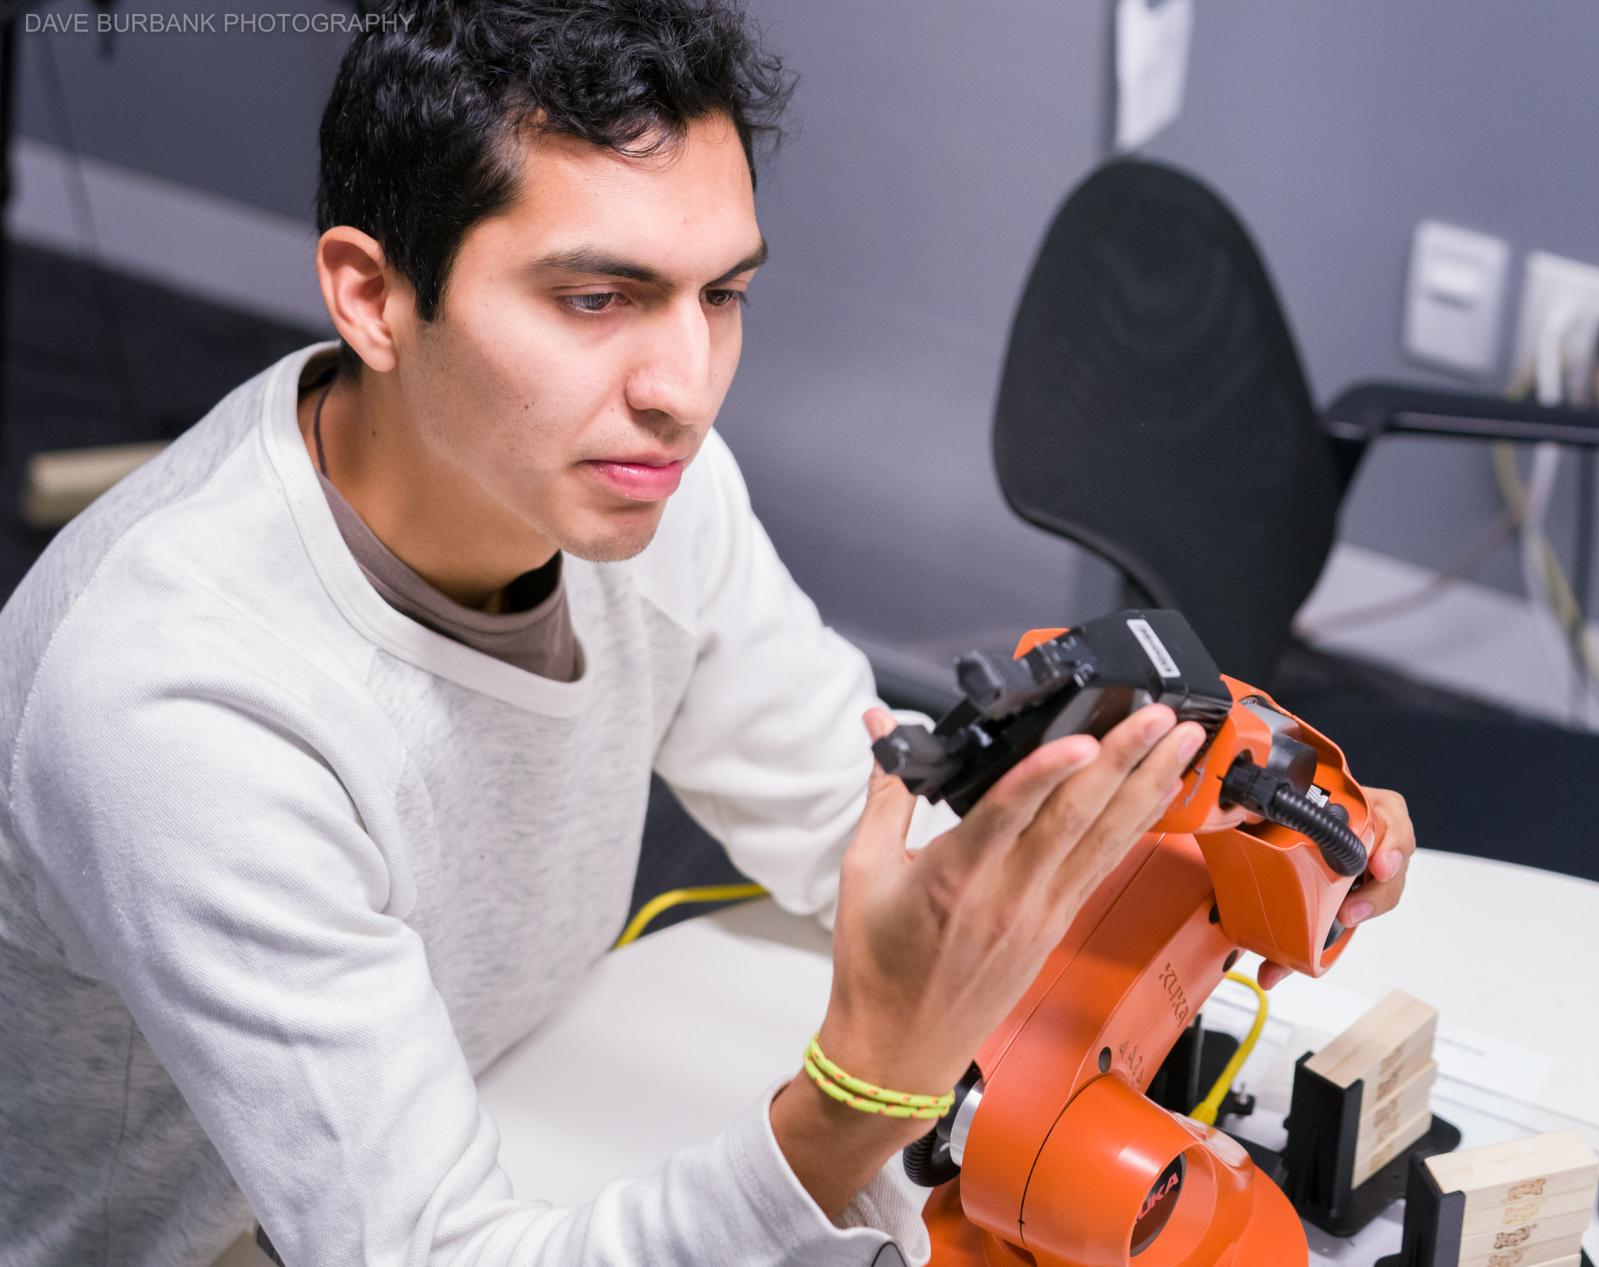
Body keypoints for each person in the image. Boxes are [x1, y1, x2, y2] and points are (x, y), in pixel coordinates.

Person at [0, 2, 1416, 1263]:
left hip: (490, 1106)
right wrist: (862, 1093)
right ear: (373, 295)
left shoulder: (639, 490)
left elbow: (843, 815)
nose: (685, 388)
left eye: (721, 295)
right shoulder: (181, 706)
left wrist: (1196, 864)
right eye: (597, 297)